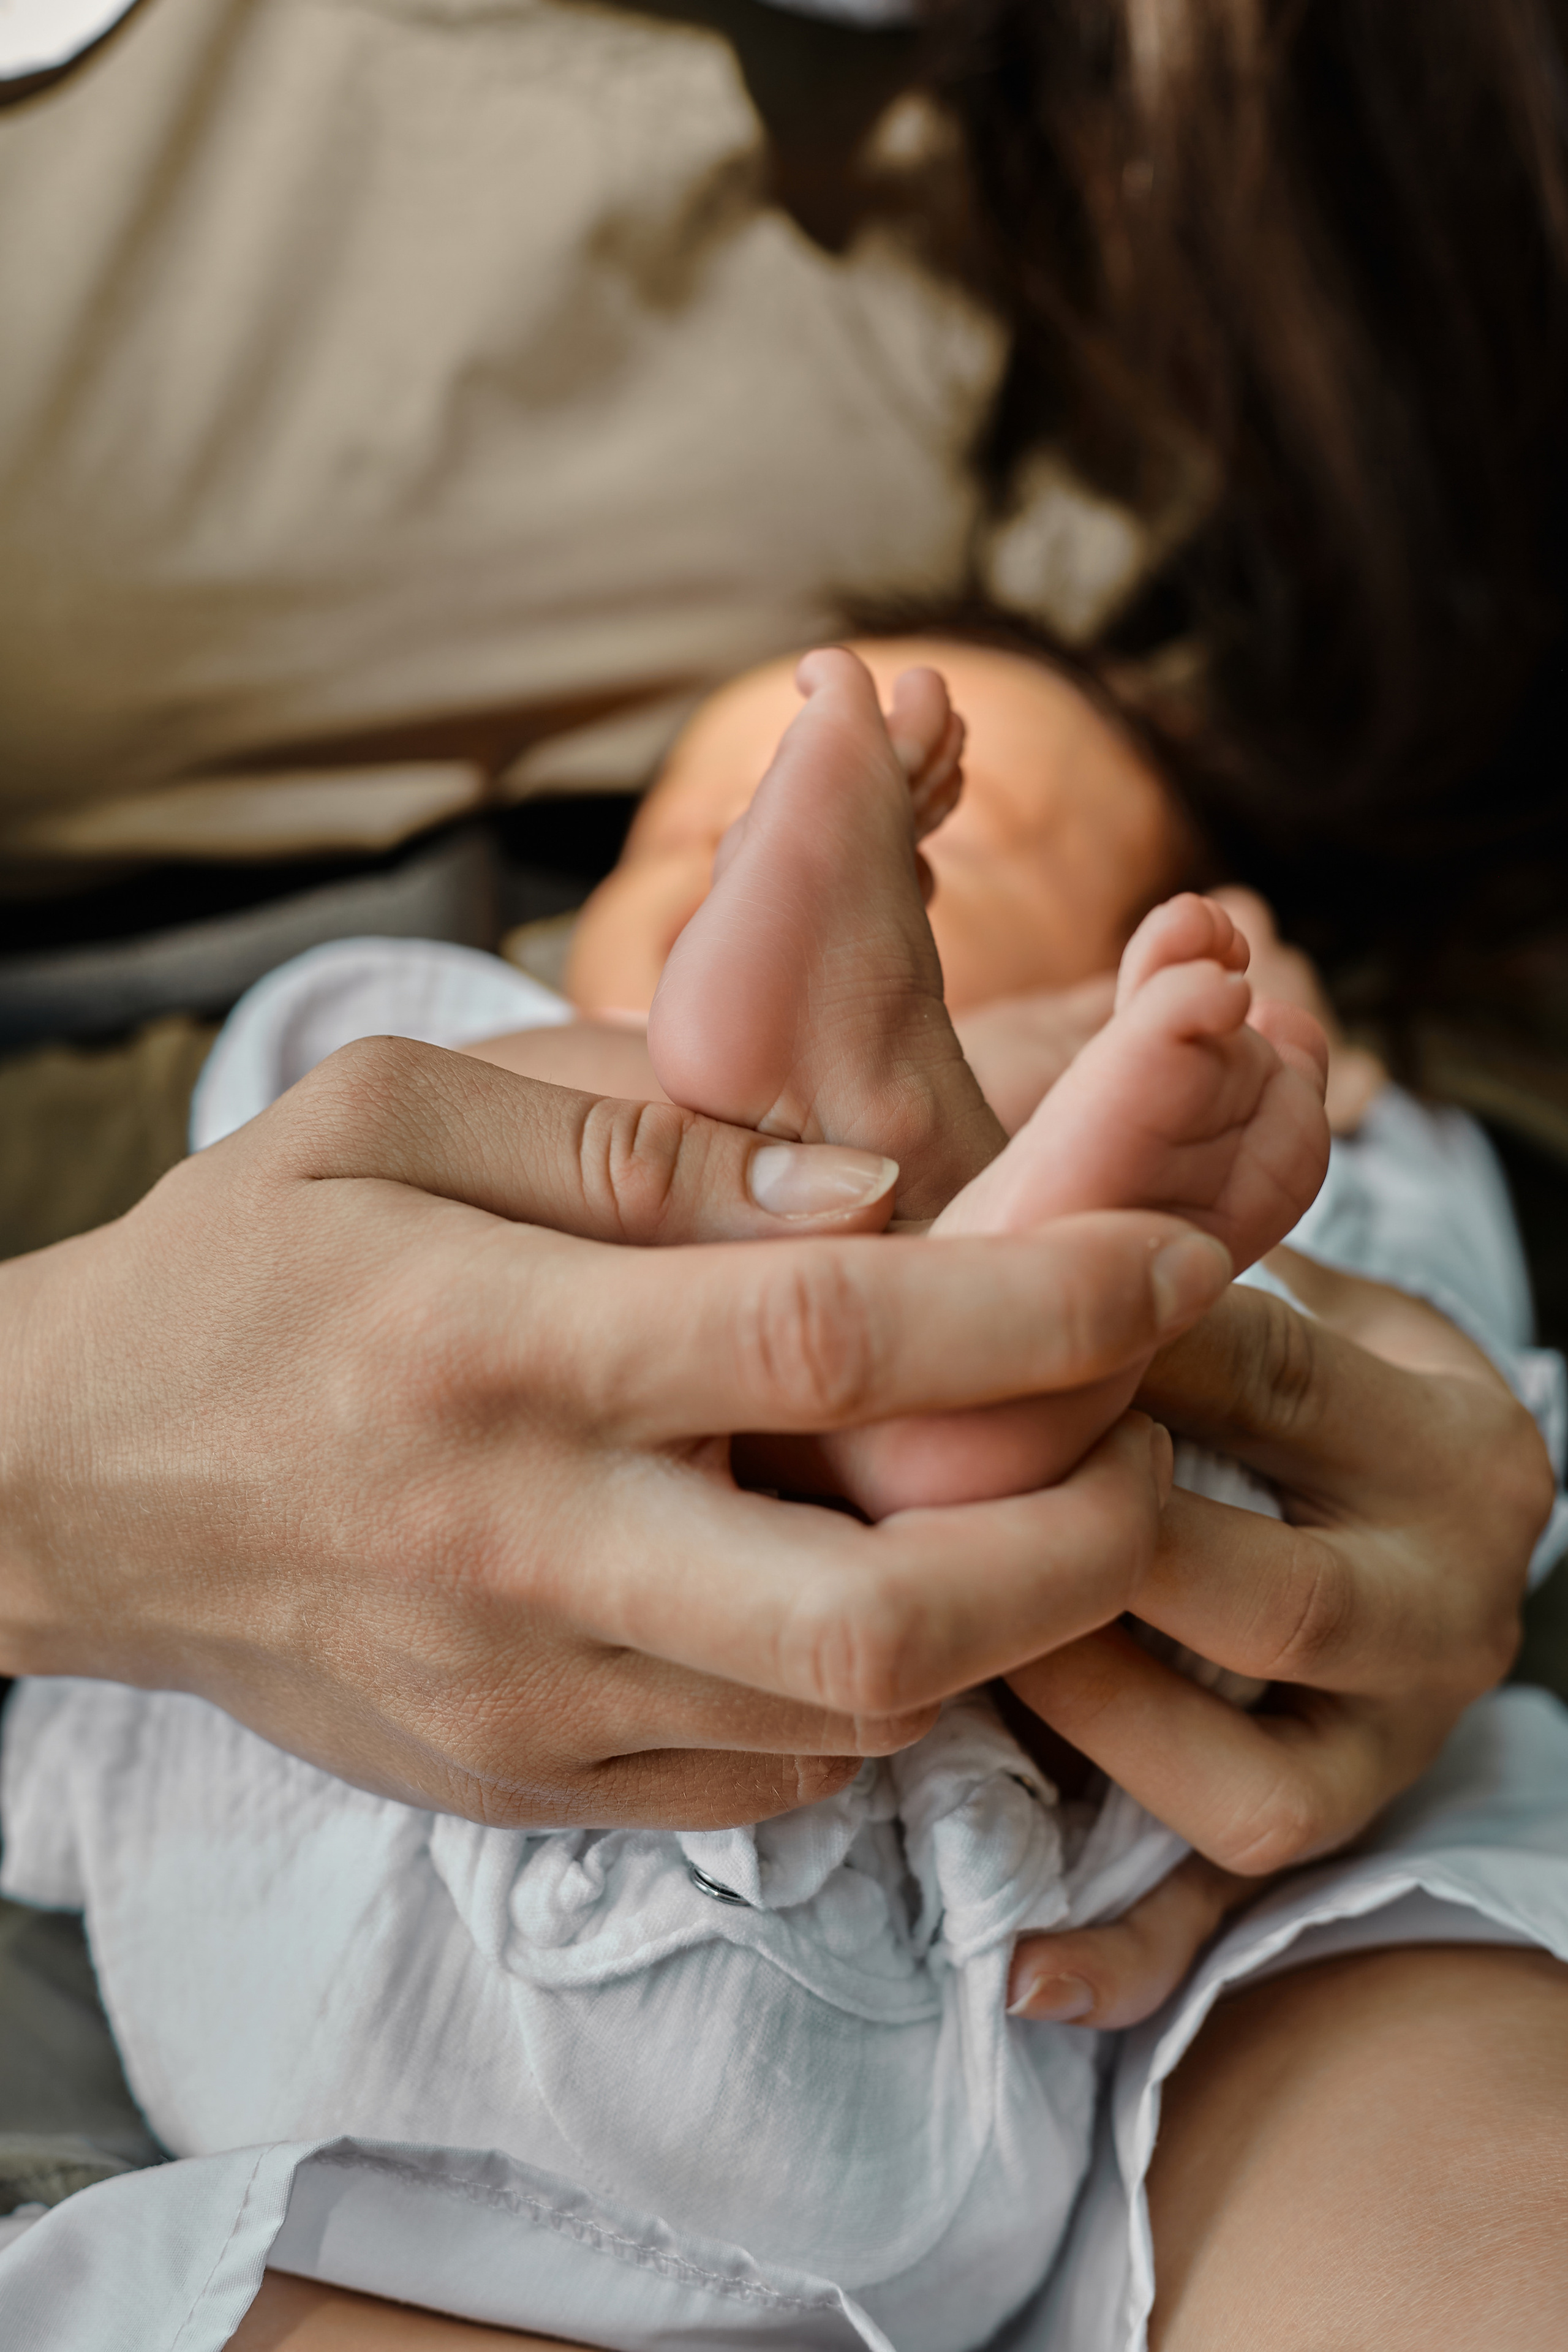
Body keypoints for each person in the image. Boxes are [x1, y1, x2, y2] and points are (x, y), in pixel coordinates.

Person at [0, 3, 1566, 2347]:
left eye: (993, 846)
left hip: (1147, 1904)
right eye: (715, 842)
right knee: (517, 1094)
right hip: (307, 1729)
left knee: (1474, 2184)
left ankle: (993, 1271)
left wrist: (1410, 1398)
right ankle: (927, 1247)